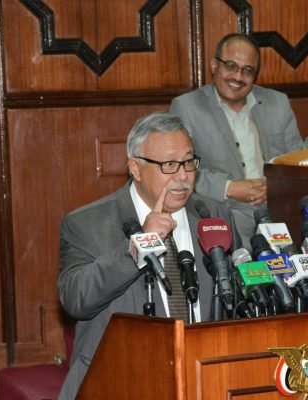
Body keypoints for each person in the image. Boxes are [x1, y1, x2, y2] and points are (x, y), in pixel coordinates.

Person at [57, 112, 240, 399]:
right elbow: (76, 298)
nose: (183, 176)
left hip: (204, 382)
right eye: (169, 165)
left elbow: (237, 299)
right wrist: (139, 244)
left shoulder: (213, 215)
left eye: (188, 162)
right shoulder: (87, 223)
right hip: (117, 383)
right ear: (136, 167)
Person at [170, 33, 303, 246]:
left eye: (247, 70)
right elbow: (179, 169)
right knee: (246, 251)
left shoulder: (278, 103)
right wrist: (230, 187)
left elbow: (298, 163)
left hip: (279, 204)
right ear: (214, 65)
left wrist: (275, 187)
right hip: (225, 208)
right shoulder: (187, 107)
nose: (238, 76)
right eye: (230, 66)